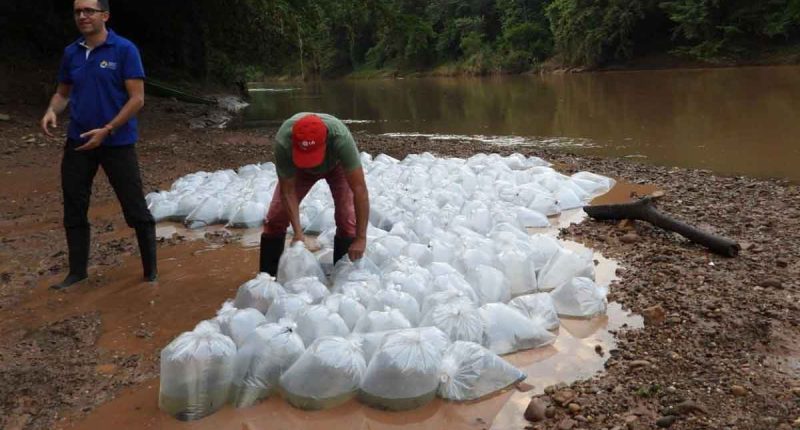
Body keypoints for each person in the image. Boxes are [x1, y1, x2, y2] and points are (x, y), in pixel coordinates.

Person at [40, 0, 156, 289]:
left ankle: (150, 271)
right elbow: (63, 93)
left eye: (89, 11)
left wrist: (108, 129)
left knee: (134, 207)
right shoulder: (72, 52)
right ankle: (77, 272)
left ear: (105, 15)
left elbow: (137, 98)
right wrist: (52, 110)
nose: (83, 16)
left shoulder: (125, 50)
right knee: (74, 205)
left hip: (117, 142)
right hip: (79, 140)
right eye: (78, 11)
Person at [260, 113, 370, 275]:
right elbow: (288, 191)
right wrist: (298, 233)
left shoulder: (340, 138)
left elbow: (360, 190)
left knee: (346, 219)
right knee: (276, 217)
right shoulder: (284, 141)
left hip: (336, 167)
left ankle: (341, 277)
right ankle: (268, 277)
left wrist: (361, 238)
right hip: (299, 169)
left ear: (326, 141)